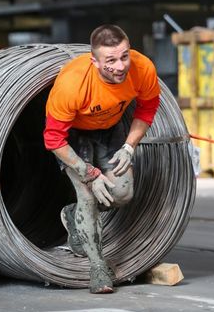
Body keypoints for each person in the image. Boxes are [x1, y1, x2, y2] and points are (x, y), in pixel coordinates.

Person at [43, 24, 161, 293]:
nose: (120, 66)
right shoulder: (72, 84)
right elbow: (53, 140)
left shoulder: (142, 69)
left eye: (124, 56)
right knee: (88, 195)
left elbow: (148, 107)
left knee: (122, 193)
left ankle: (72, 215)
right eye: (111, 60)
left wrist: (129, 146)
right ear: (94, 61)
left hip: (111, 130)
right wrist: (90, 173)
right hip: (73, 136)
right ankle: (97, 267)